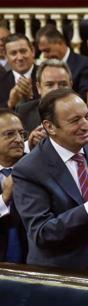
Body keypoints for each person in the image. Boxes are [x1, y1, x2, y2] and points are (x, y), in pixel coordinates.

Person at [13, 88, 88, 272]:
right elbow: (42, 232)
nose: (86, 125)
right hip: (61, 275)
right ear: (49, 127)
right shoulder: (28, 169)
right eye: (75, 120)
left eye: (87, 116)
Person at [36, 25, 88, 101]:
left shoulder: (84, 64)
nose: (45, 55)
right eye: (42, 51)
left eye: (47, 50)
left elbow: (85, 95)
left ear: (60, 42)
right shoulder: (44, 68)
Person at [0, 111, 27, 263]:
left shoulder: (38, 167)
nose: (18, 139)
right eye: (9, 134)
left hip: (35, 265)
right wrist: (5, 197)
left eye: (21, 133)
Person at [0, 33, 39, 109]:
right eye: (13, 53)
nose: (20, 57)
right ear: (6, 55)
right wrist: (10, 103)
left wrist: (31, 98)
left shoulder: (46, 75)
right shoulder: (1, 82)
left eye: (23, 51)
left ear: (33, 51)